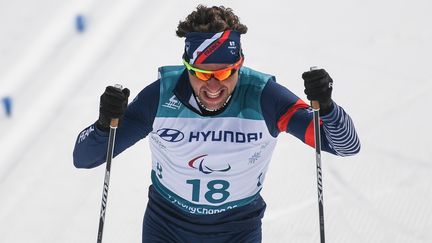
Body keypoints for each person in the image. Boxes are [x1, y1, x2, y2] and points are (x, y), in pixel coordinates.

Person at [73, 5, 360, 243]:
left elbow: (345, 146)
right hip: (168, 228)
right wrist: (103, 124)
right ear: (187, 67)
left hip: (237, 231)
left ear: (239, 66)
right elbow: (85, 158)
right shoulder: (160, 97)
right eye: (199, 73)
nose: (212, 86)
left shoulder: (264, 97)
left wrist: (328, 109)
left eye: (224, 74)